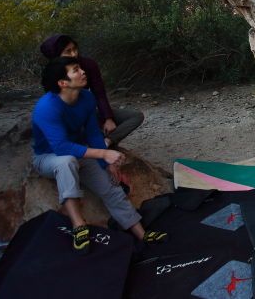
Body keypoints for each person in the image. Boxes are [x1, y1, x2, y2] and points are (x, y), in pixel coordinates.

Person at [31, 56, 167, 253]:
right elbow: (60, 147)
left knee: (110, 186)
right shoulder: (47, 108)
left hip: (81, 153)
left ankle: (141, 233)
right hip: (48, 158)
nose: (83, 72)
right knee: (66, 162)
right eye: (76, 70)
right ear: (62, 83)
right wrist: (103, 154)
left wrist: (107, 164)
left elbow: (93, 132)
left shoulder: (86, 97)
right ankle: (79, 226)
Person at [40, 35, 142, 147]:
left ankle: (108, 141)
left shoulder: (88, 65)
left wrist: (108, 118)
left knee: (135, 116)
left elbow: (99, 93)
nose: (74, 54)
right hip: (69, 117)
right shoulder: (51, 74)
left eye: (75, 49)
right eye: (68, 51)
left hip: (89, 112)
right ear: (56, 55)